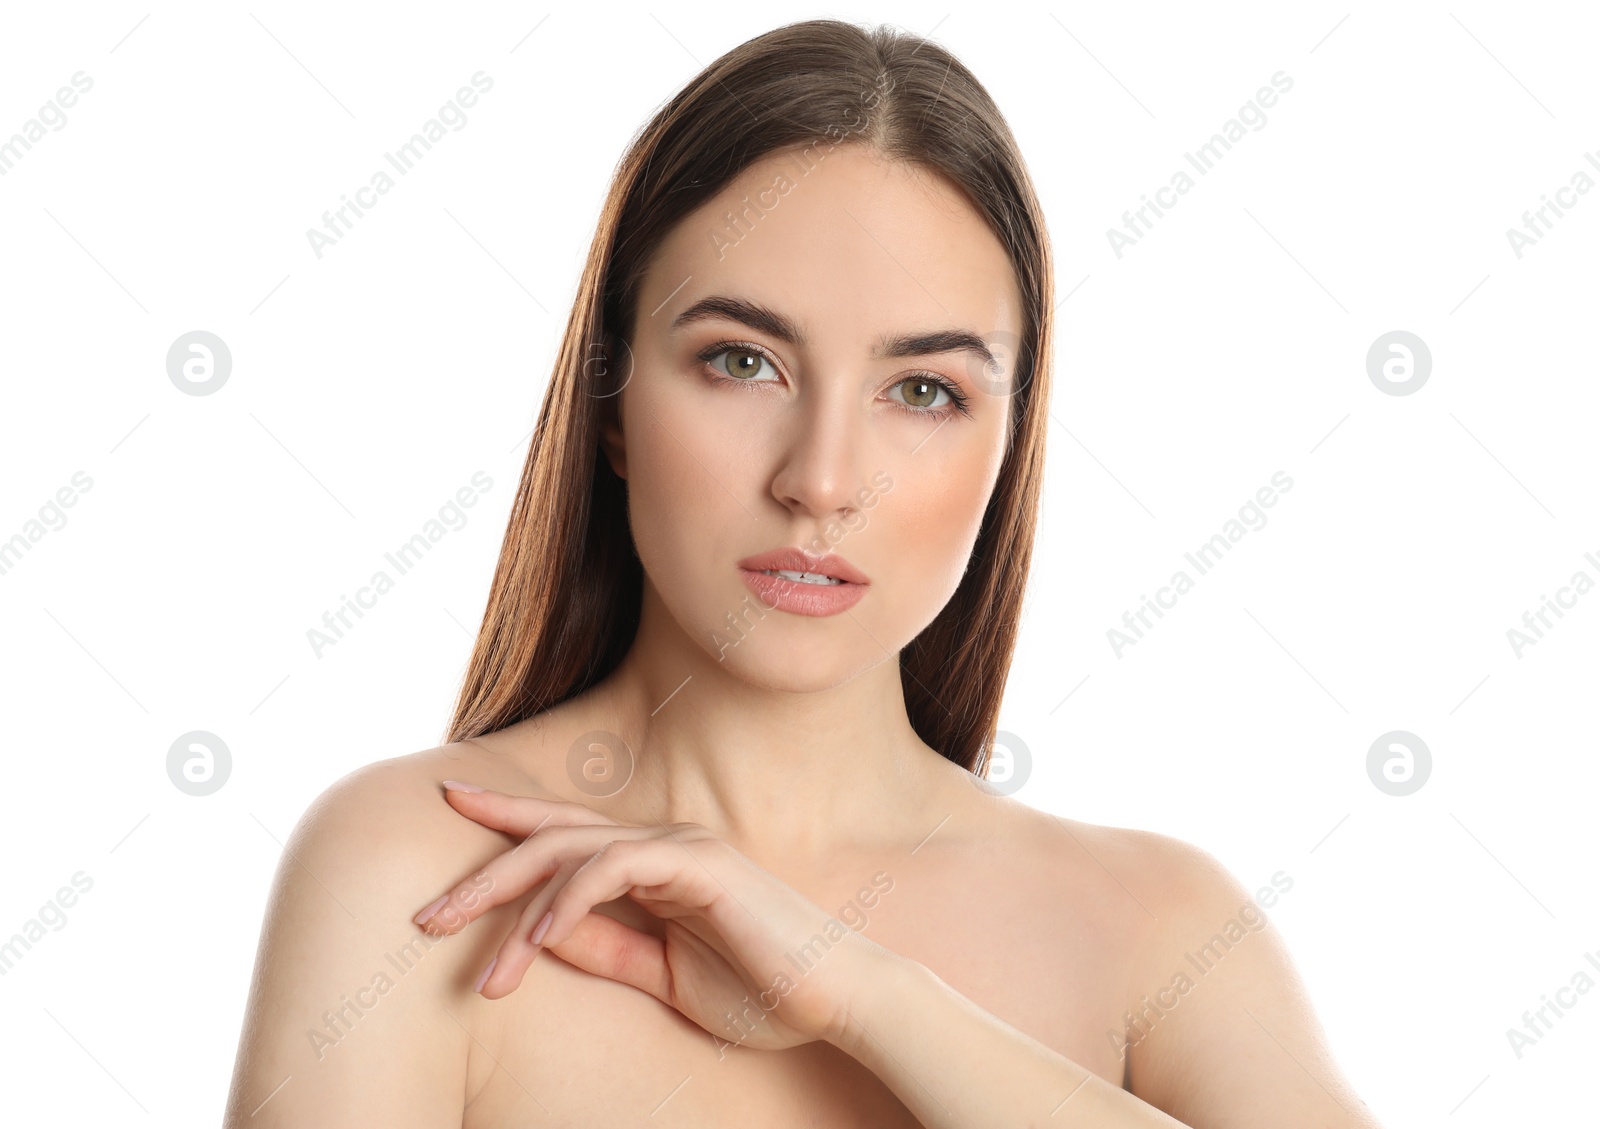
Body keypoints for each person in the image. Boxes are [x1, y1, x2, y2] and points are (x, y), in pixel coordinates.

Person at [222, 19, 1382, 1128]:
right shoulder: (415, 877)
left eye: (922, 390)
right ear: (612, 404)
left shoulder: (1159, 930)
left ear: (1008, 445)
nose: (823, 482)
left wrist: (869, 999)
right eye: (741, 361)